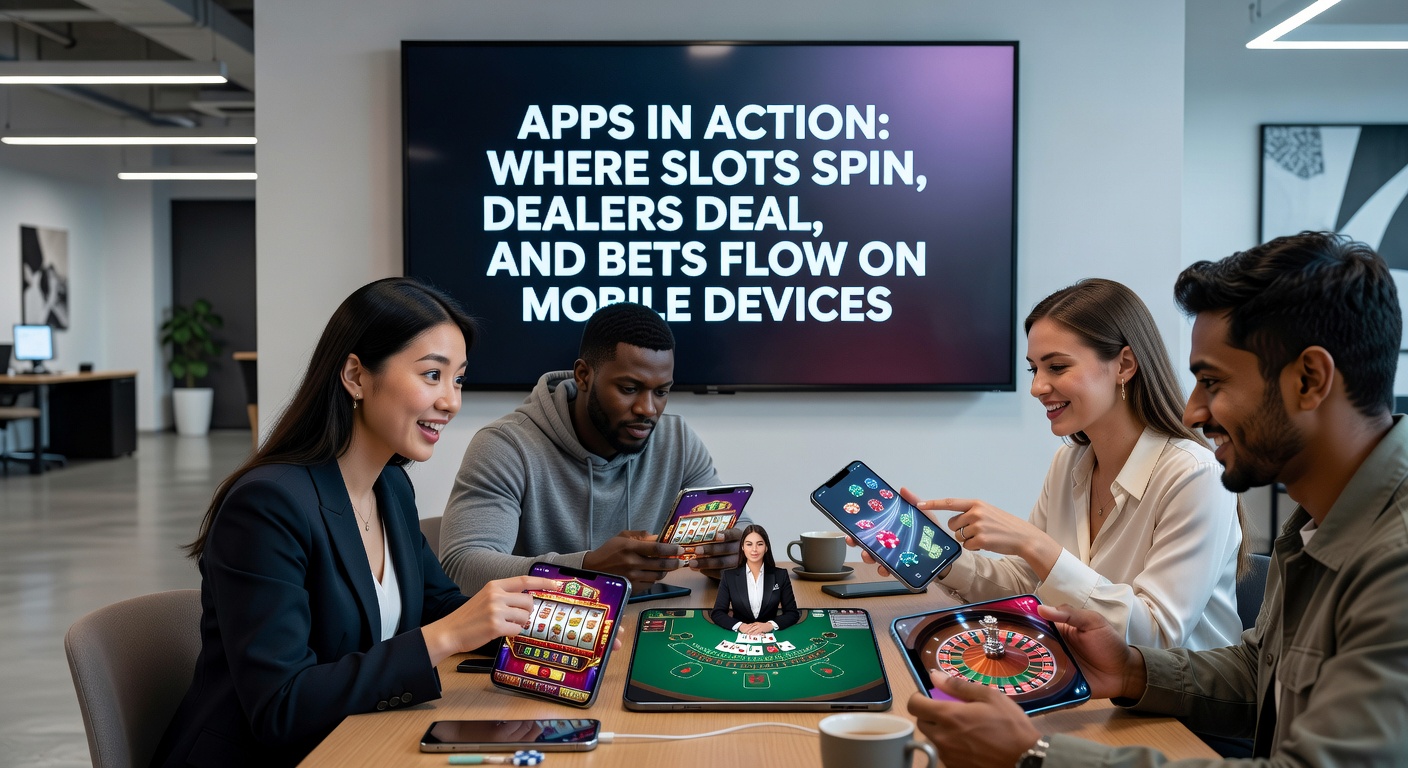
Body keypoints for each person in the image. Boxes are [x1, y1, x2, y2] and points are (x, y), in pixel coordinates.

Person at [908, 231, 1408, 767]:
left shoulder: (1390, 560)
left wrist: (1038, 755)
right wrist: (1129, 670)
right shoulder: (1313, 527)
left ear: (1309, 380)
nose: (1194, 412)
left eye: (1212, 383)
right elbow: (1261, 672)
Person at [151, 278, 558, 768]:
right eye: (432, 375)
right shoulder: (266, 505)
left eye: (458, 379)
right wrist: (447, 636)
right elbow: (281, 706)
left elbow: (437, 606)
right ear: (355, 376)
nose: (451, 401)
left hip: (359, 743)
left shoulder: (390, 487)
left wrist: (538, 626)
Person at [864, 279, 1245, 650]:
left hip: (1174, 709)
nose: (1037, 387)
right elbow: (1028, 586)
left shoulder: (1194, 475)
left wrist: (1035, 545)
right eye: (1034, 369)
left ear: (1124, 365)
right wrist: (938, 555)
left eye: (1057, 367)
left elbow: (1157, 635)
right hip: (1087, 683)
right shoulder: (1070, 462)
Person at [439, 302, 743, 595]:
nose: (648, 409)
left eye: (661, 392)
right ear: (584, 375)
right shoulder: (506, 446)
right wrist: (587, 569)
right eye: (629, 389)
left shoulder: (676, 440)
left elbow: (738, 524)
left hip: (641, 619)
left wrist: (735, 551)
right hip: (539, 635)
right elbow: (461, 568)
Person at [710, 524, 800, 634]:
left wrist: (769, 625)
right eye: (749, 544)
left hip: (769, 636)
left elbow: (792, 613)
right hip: (740, 636)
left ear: (766, 547)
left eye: (760, 544)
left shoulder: (781, 575)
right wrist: (740, 626)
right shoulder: (729, 576)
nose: (754, 549)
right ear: (742, 547)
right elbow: (718, 613)